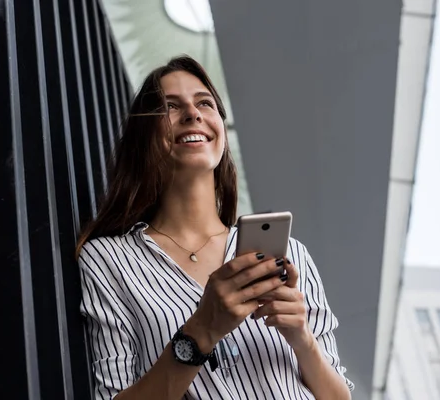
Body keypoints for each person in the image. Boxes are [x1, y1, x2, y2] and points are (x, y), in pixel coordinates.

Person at [76, 55, 354, 399]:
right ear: (144, 135)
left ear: (220, 129)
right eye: (170, 106)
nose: (193, 114)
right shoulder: (107, 260)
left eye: (204, 103)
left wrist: (301, 337)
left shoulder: (291, 254)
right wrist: (202, 330)